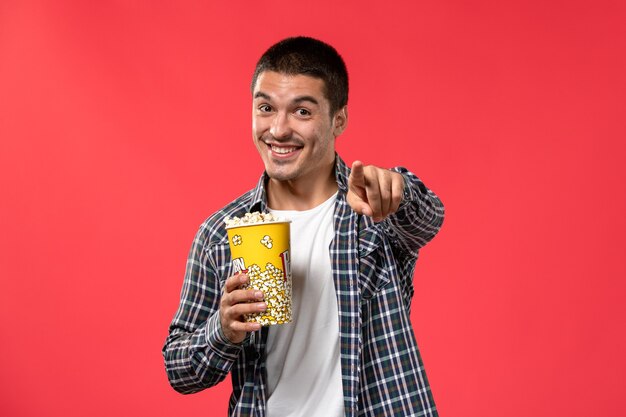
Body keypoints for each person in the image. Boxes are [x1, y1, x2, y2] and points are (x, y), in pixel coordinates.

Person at [162, 36, 444, 417]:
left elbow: (428, 220)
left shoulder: (372, 207)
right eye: (265, 108)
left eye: (302, 112)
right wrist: (224, 330)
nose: (278, 130)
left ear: (338, 119)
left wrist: (400, 189)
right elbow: (179, 370)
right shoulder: (220, 235)